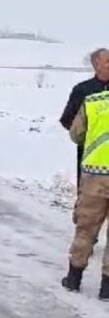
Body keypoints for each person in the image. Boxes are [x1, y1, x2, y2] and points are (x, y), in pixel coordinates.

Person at [62, 84, 109, 300]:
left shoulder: (93, 102)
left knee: (86, 227)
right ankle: (107, 288)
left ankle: (74, 277)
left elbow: (76, 134)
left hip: (95, 176)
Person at [60, 48, 109, 186]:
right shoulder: (82, 90)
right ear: (96, 64)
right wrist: (89, 134)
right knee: (89, 205)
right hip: (90, 165)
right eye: (108, 61)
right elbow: (67, 120)